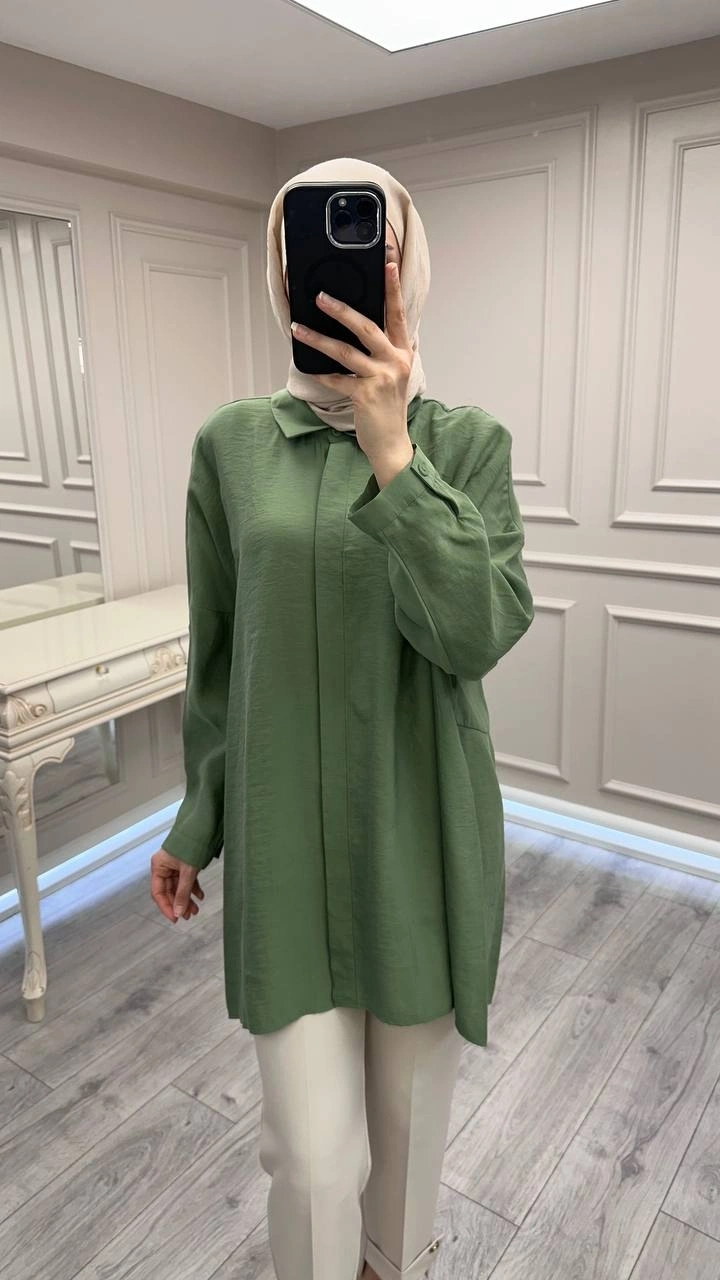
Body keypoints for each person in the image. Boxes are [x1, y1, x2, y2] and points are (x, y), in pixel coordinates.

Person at [151, 156, 534, 1280]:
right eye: (308, 246)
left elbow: (476, 633)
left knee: (407, 1144)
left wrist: (394, 452)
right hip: (282, 849)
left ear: (408, 266)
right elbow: (220, 657)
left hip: (419, 836)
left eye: (374, 245)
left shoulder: (467, 445)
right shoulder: (230, 445)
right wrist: (196, 819)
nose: (343, 271)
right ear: (281, 273)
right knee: (313, 1162)